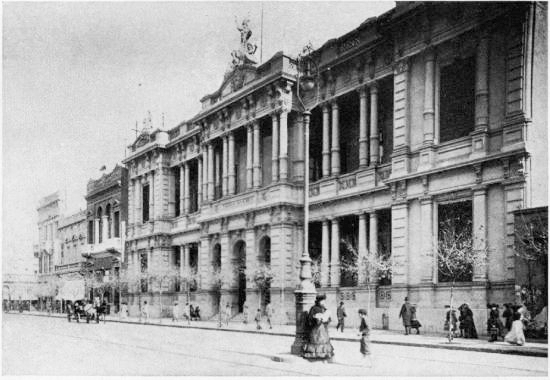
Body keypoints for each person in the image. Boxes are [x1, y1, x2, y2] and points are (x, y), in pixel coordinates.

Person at [302, 293, 334, 361]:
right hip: (316, 328)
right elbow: (310, 318)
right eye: (322, 301)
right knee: (316, 340)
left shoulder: (324, 308)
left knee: (324, 340)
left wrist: (326, 319)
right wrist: (316, 319)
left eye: (324, 301)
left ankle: (324, 355)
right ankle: (315, 355)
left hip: (323, 328)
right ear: (319, 301)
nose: (323, 302)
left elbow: (329, 318)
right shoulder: (314, 308)